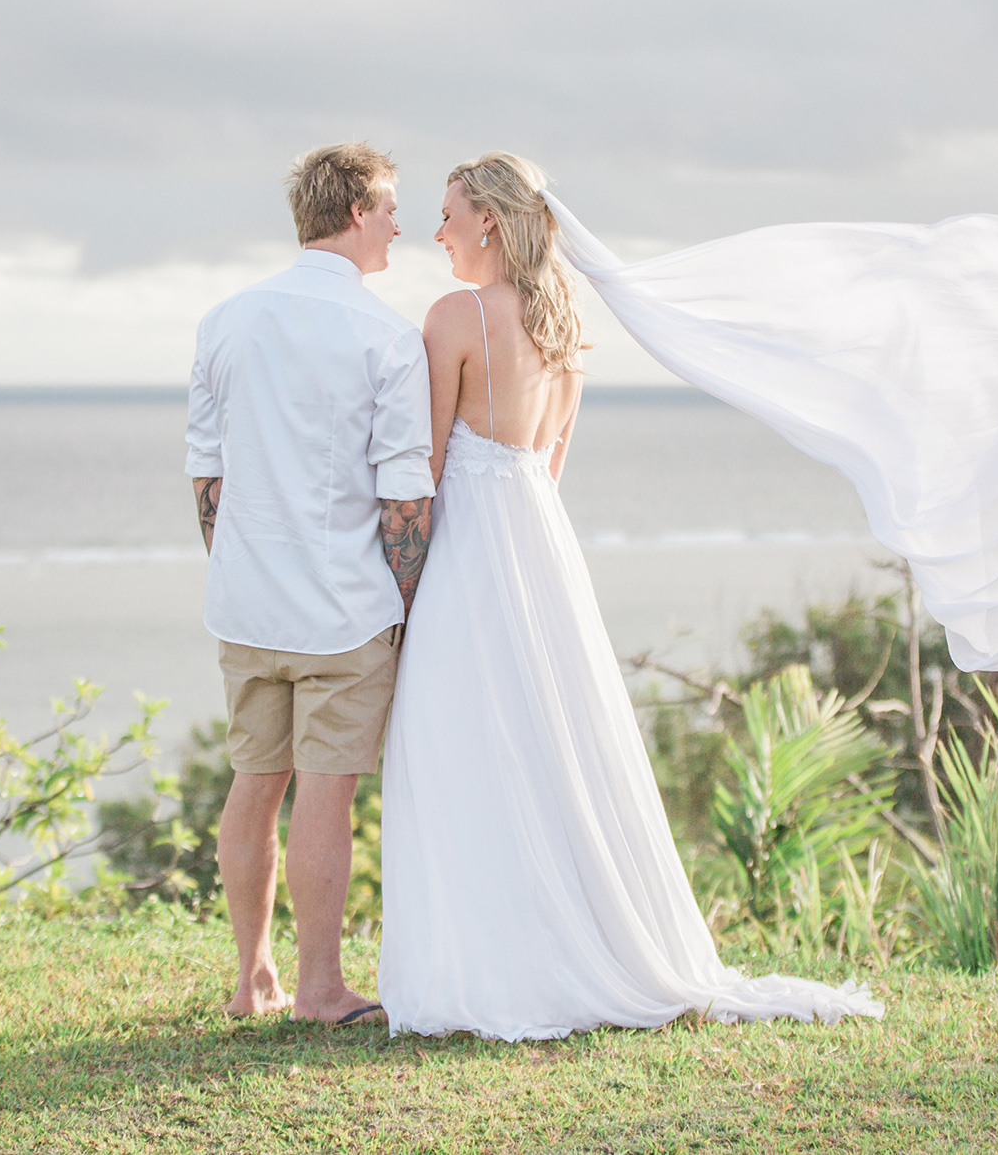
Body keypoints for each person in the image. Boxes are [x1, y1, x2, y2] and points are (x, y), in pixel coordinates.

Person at [376, 152, 885, 1039]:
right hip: (540, 550)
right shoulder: (563, 324)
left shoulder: (456, 316)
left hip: (467, 553)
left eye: (450, 212)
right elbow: (549, 466)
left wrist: (399, 593)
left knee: (463, 742)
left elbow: (421, 473)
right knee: (556, 744)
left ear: (489, 221)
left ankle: (491, 963)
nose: (438, 229)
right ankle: (579, 943)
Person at [185, 141, 434, 1025]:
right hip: (343, 613)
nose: (402, 225)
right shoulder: (388, 336)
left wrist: (245, 565)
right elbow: (405, 494)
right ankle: (321, 988)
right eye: (393, 208)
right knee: (326, 794)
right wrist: (406, 608)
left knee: (254, 785)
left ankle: (251, 978)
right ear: (360, 211)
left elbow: (208, 479)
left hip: (246, 604)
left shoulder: (225, 319)